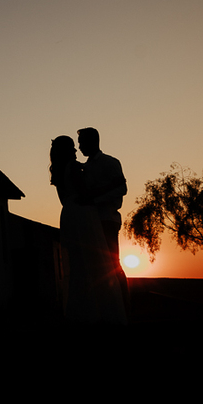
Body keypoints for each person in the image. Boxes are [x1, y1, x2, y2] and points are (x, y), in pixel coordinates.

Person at [50, 136, 125, 324]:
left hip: (68, 213)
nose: (76, 151)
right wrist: (111, 186)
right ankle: (103, 309)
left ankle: (81, 309)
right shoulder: (74, 167)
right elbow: (85, 193)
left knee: (77, 262)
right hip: (82, 214)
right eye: (73, 147)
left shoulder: (58, 171)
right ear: (68, 150)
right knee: (95, 260)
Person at [76, 127, 130, 316]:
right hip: (92, 221)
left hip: (107, 219)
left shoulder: (110, 162)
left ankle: (123, 304)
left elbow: (121, 189)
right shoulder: (85, 168)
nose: (80, 146)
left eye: (82, 142)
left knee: (113, 264)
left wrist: (95, 199)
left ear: (92, 142)